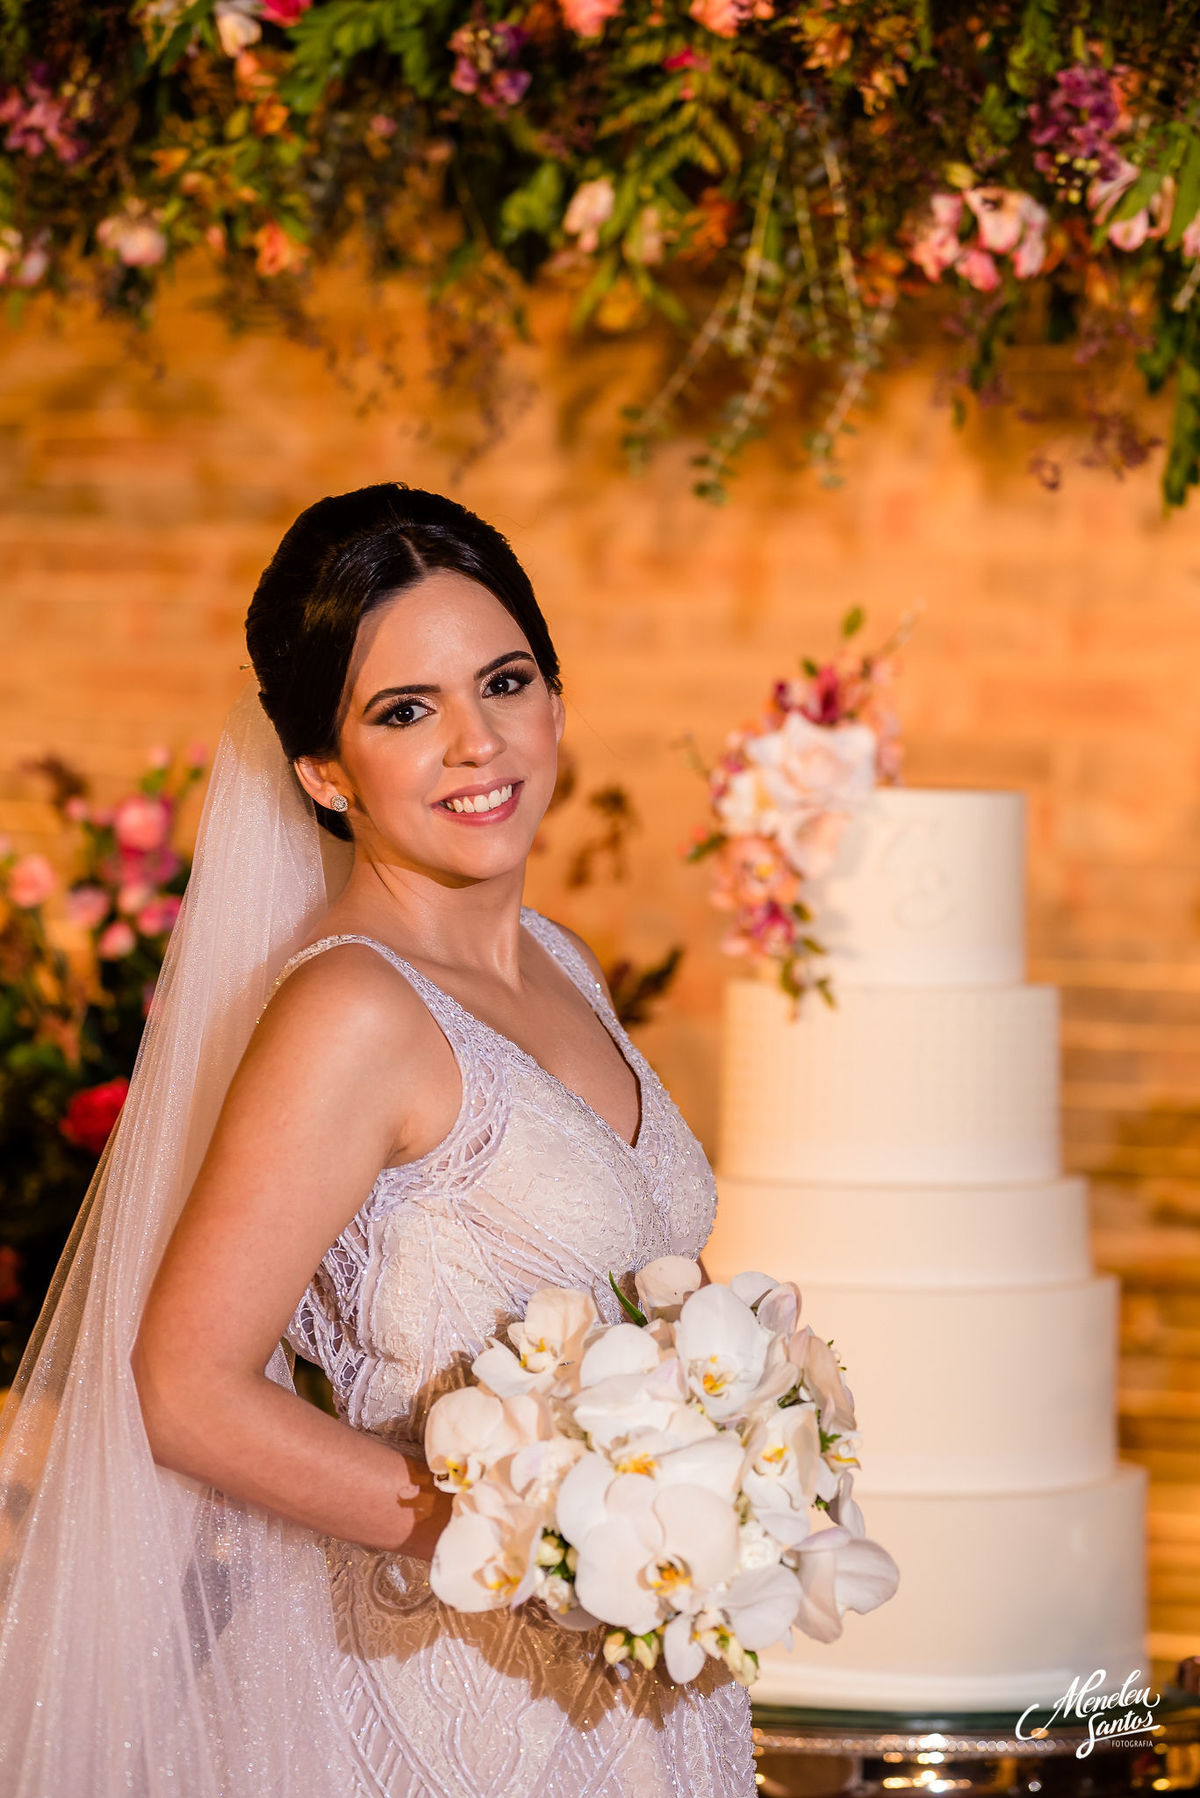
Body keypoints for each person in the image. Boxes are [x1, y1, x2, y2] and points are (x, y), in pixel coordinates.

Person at [0, 483, 756, 1796]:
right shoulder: (351, 1006)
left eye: (505, 681)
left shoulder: (560, 961)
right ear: (323, 771)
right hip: (429, 1700)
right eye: (407, 710)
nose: (478, 741)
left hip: (625, 1683)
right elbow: (185, 1388)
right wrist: (538, 1537)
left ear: (557, 701)